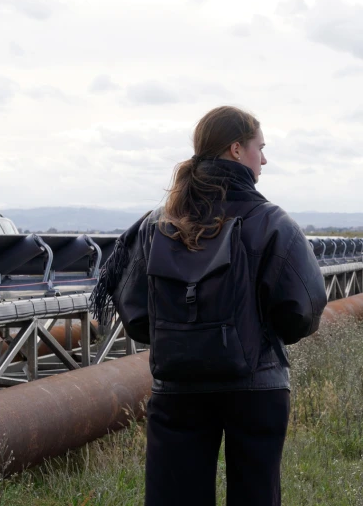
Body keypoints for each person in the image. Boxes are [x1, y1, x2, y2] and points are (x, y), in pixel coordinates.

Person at [90, 105, 327, 505]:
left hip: (178, 387)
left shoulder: (155, 223)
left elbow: (135, 315)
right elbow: (301, 311)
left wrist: (185, 337)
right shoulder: (272, 221)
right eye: (260, 148)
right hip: (257, 386)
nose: (264, 159)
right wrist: (254, 333)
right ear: (236, 149)